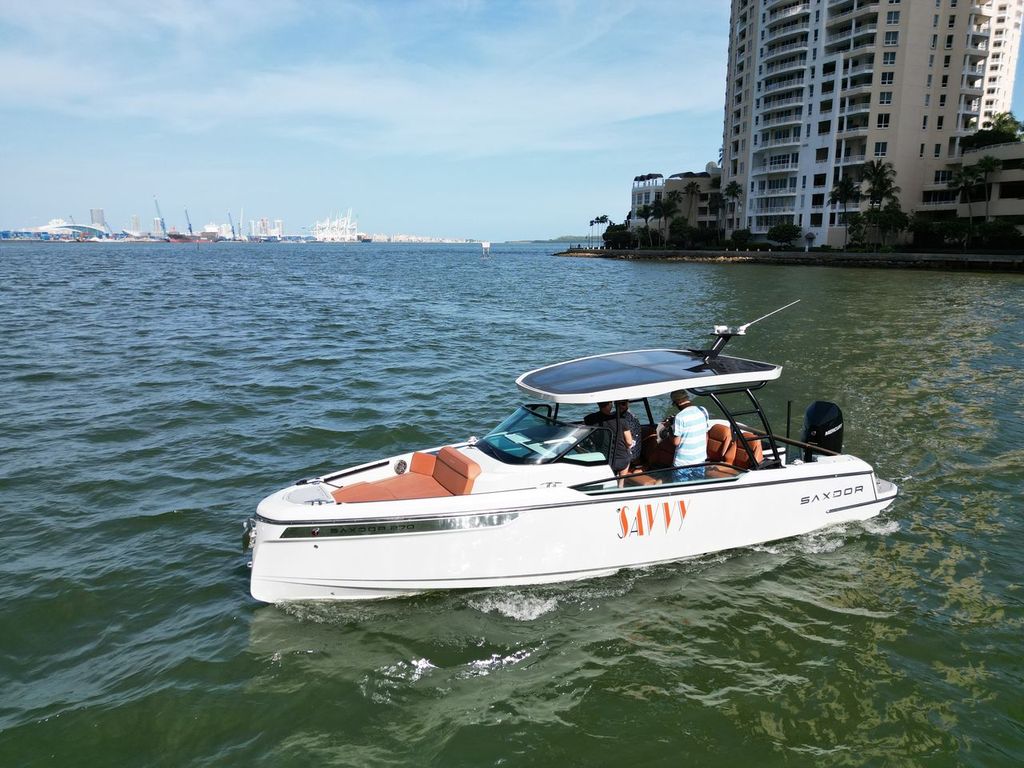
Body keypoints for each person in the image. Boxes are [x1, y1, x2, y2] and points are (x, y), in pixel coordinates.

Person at [584, 401, 635, 476]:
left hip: (602, 457)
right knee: (627, 459)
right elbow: (629, 442)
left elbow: (583, 430)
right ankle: (621, 484)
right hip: (621, 458)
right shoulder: (621, 420)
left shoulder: (590, 419)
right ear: (609, 404)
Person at [671, 390, 709, 480]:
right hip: (700, 459)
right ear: (687, 398)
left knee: (680, 490)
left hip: (683, 463)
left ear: (678, 402)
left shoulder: (680, 417)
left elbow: (676, 442)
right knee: (698, 487)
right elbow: (706, 434)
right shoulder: (703, 410)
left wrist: (670, 429)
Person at [617, 399, 642, 467]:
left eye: (623, 404)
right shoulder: (615, 415)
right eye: (617, 404)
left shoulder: (629, 418)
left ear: (627, 404)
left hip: (632, 450)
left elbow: (628, 441)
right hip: (625, 446)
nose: (620, 406)